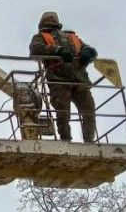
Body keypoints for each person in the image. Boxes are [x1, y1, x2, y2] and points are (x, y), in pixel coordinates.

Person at [29, 12, 98, 143]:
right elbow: (35, 49)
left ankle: (89, 140)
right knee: (63, 113)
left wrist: (88, 52)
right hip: (58, 80)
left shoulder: (70, 36)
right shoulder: (41, 37)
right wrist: (57, 50)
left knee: (88, 111)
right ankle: (66, 139)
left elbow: (88, 49)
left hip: (79, 80)